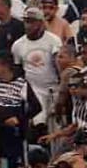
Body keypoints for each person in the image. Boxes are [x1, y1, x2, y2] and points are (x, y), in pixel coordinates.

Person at [0, 53, 42, 168]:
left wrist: (18, 118)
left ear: (6, 66)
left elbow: (37, 107)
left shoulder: (21, 84)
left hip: (15, 134)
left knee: (15, 166)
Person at [11, 7, 62, 135]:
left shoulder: (53, 40)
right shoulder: (18, 45)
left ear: (40, 23)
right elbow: (18, 71)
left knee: (55, 125)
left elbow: (59, 66)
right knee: (37, 123)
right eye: (26, 21)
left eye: (32, 22)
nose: (28, 25)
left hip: (53, 87)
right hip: (33, 90)